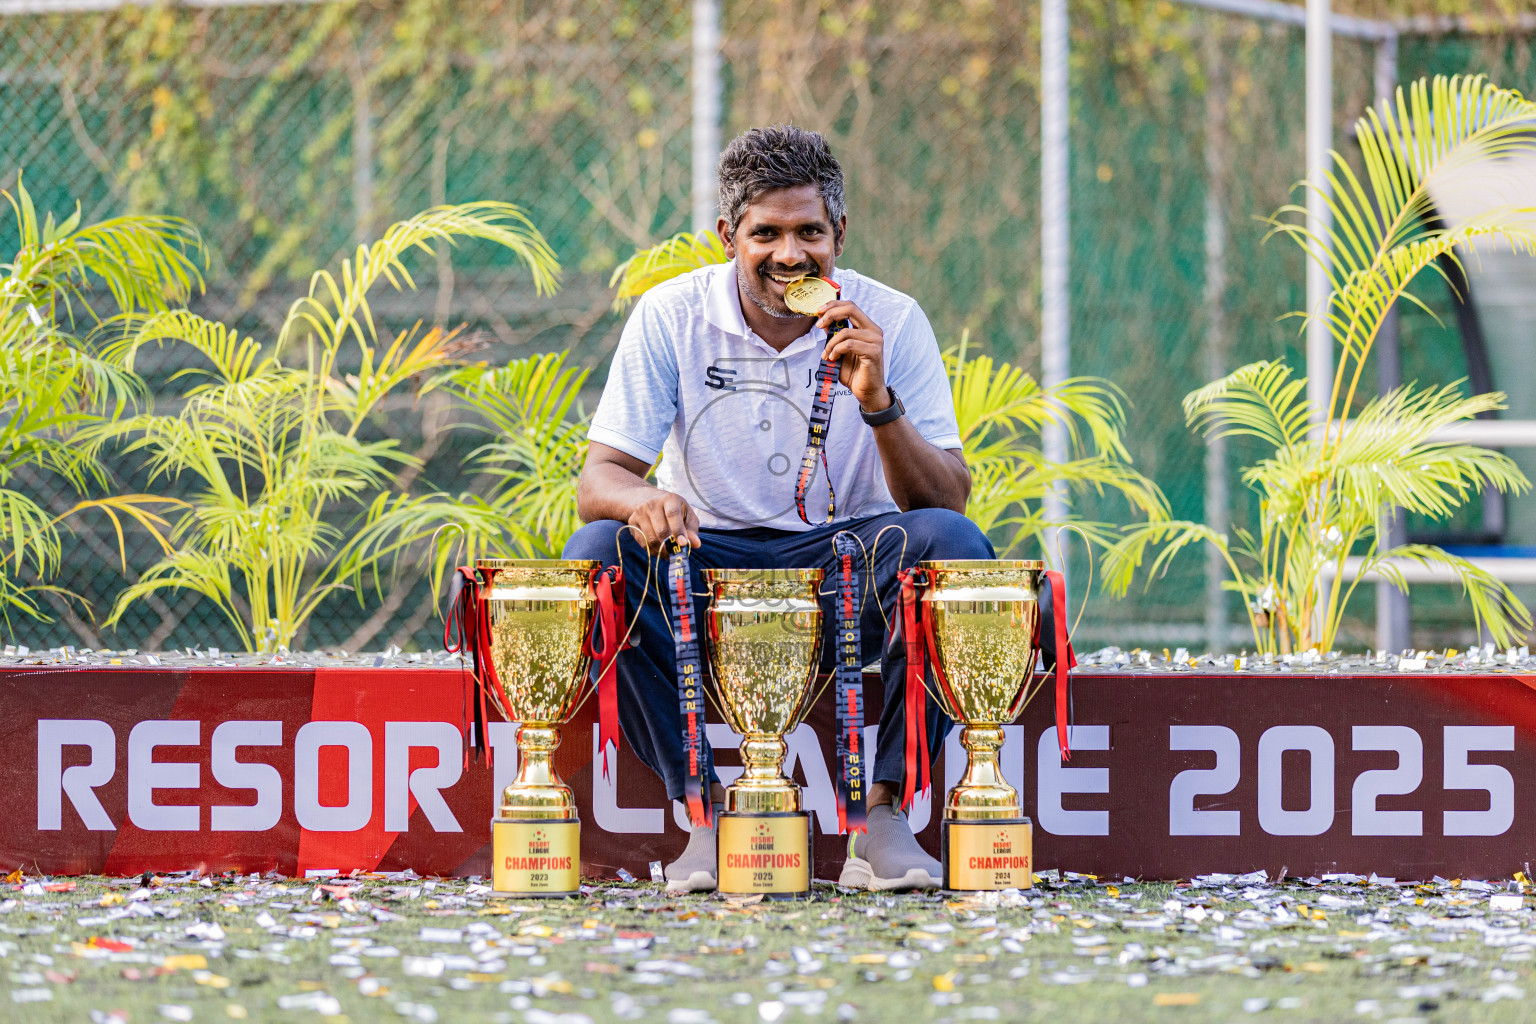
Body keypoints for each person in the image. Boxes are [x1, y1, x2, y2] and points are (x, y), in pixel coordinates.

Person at [564, 124, 994, 892]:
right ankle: (701, 814)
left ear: (840, 235)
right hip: (707, 566)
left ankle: (886, 814)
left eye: (809, 233)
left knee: (954, 547)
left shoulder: (891, 319)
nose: (790, 255)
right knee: (596, 555)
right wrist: (646, 501)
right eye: (766, 234)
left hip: (845, 566)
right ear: (728, 236)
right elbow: (599, 479)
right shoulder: (672, 315)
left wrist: (878, 401)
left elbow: (946, 501)